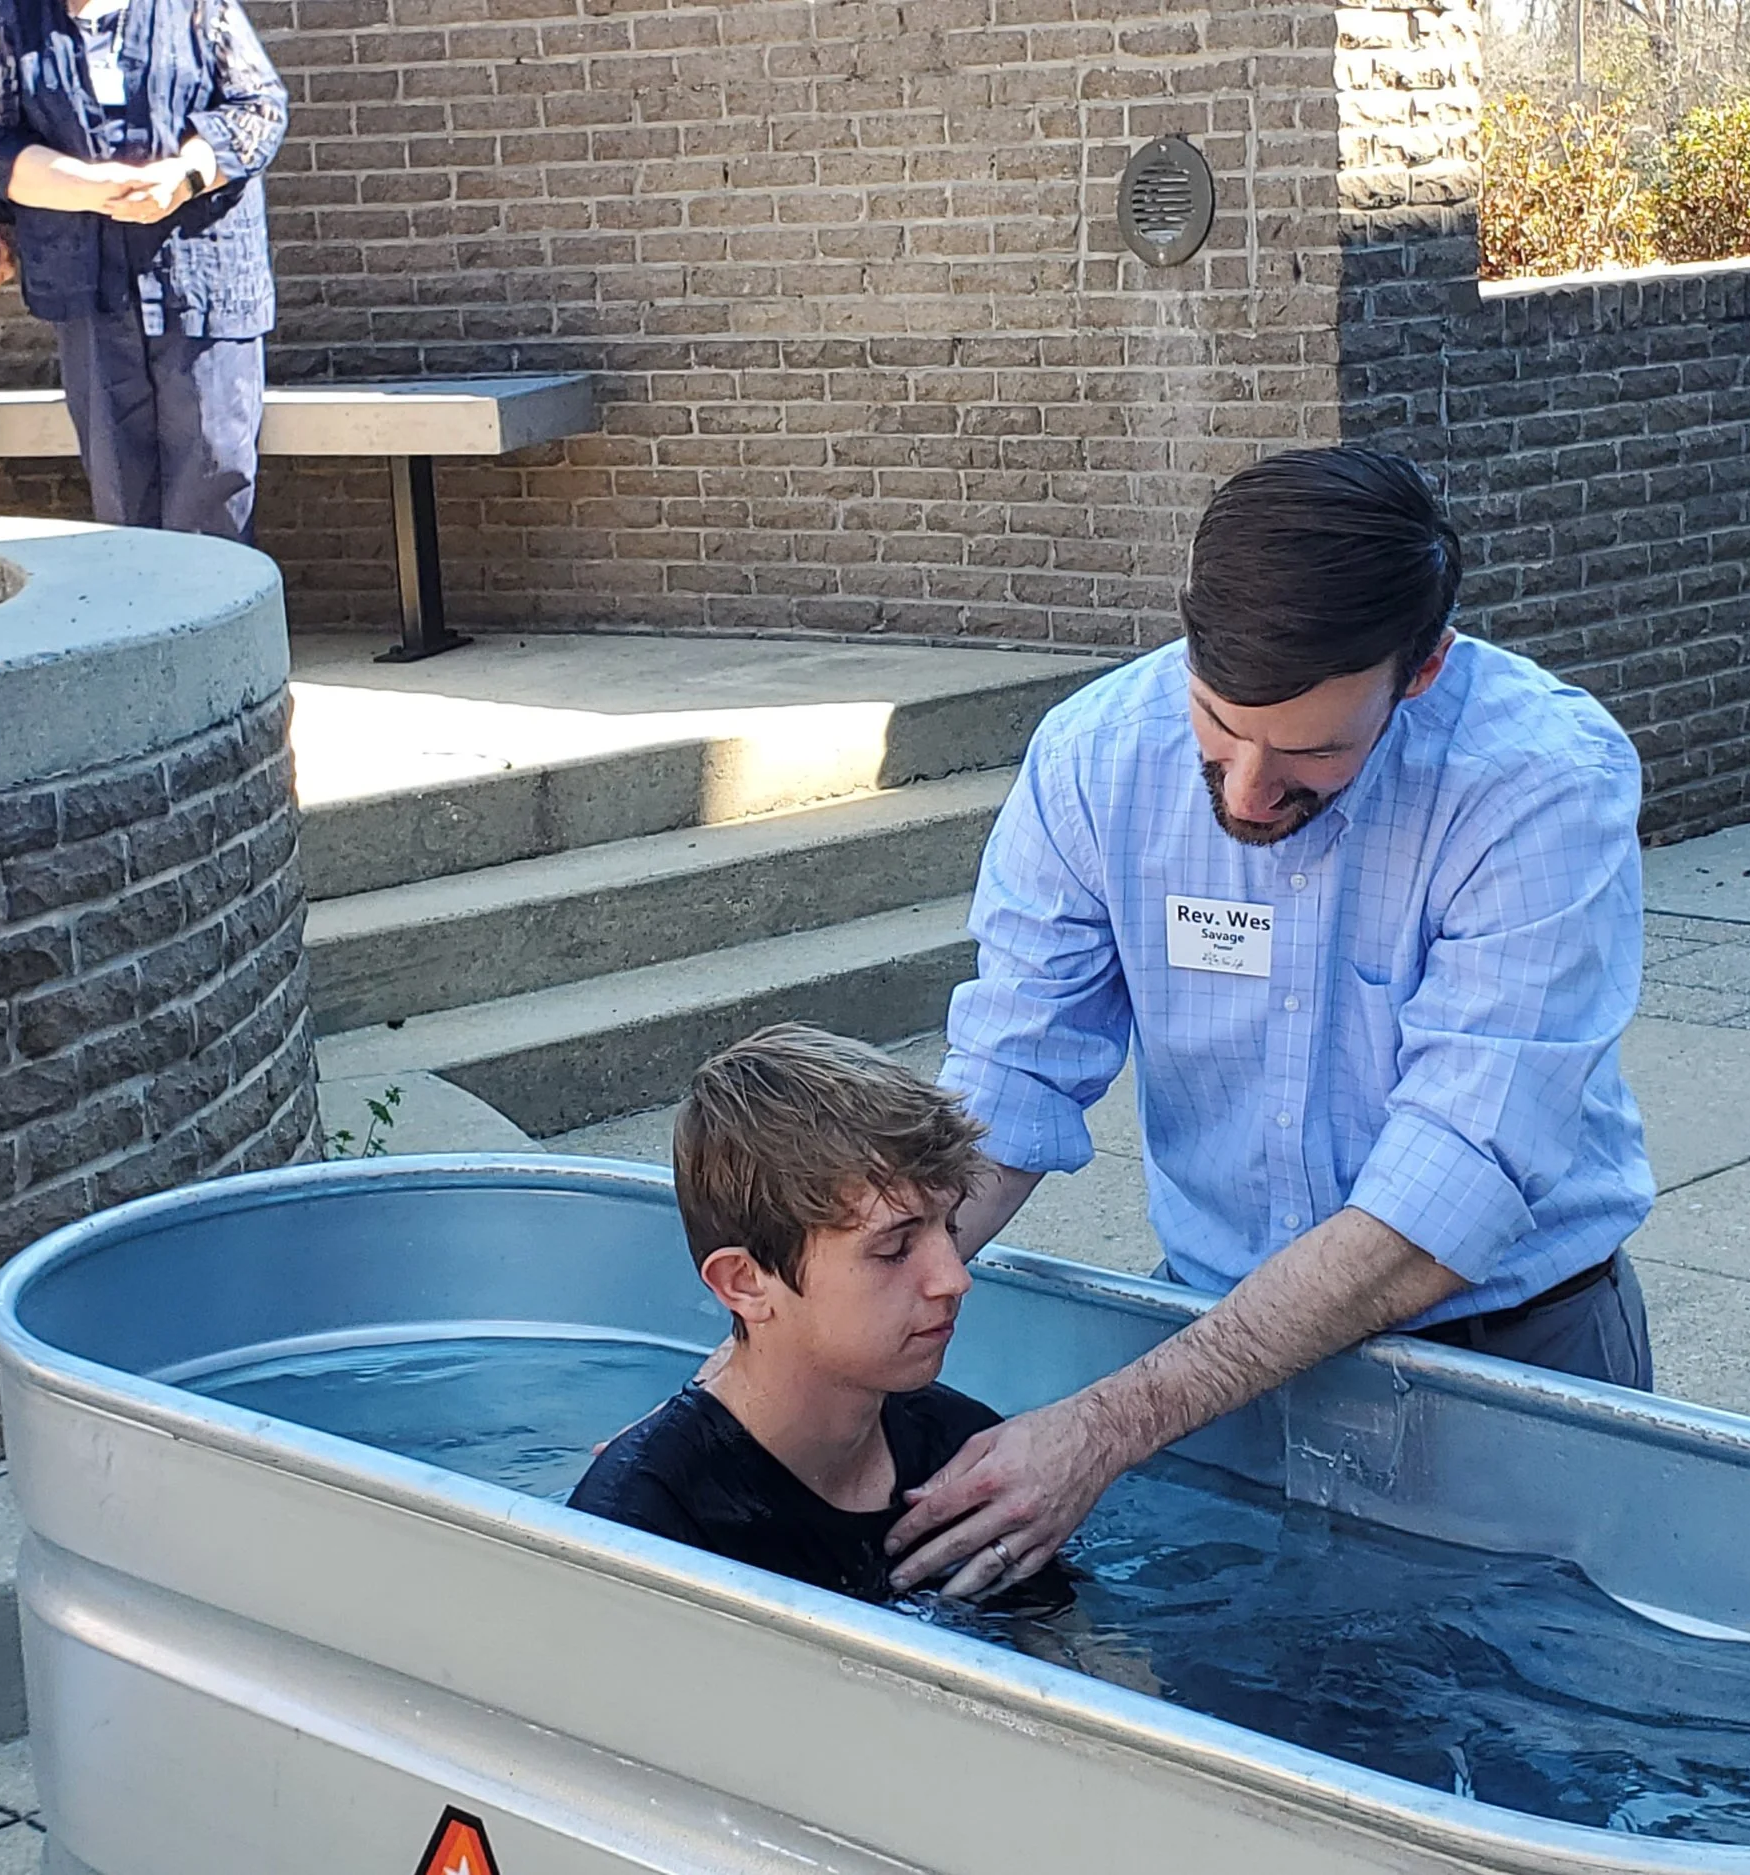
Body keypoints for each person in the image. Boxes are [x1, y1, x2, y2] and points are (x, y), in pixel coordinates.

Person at [883, 446, 1656, 1600]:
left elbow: (1441, 1199)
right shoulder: (1096, 756)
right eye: (1215, 724)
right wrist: (812, 1342)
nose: (1245, 792)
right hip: (1213, 1337)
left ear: (1423, 671)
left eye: (1312, 752)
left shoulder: (1540, 783)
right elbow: (1007, 1077)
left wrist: (1104, 1427)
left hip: (1512, 1353)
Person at [571, 1025, 1064, 1610]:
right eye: (894, 1249)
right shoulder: (643, 1522)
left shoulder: (959, 1452)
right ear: (746, 1283)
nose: (955, 1277)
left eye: (949, 1227)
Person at [0, 0, 284, 543]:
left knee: (212, 479)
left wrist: (184, 174)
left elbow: (259, 107)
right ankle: (147, 625)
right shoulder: (17, 16)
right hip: (88, 285)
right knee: (120, 493)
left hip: (202, 278)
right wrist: (86, 187)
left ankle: (218, 624)